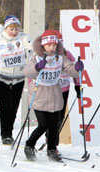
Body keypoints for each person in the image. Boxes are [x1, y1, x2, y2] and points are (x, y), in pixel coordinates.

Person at [23, 30, 82, 162]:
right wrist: (37, 67)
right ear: (43, 45)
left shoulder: (60, 57)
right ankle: (29, 145)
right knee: (43, 125)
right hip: (39, 94)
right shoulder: (36, 57)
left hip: (55, 94)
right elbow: (27, 72)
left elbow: (69, 69)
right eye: (49, 45)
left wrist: (76, 68)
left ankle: (51, 150)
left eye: (54, 45)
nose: (52, 48)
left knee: (54, 125)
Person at [0, 15, 32, 145]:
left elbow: (32, 51)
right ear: (5, 28)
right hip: (0, 78)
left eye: (16, 29)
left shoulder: (24, 38)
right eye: (11, 29)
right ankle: (6, 134)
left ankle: (8, 132)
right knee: (5, 105)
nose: (14, 32)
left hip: (18, 79)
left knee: (14, 106)